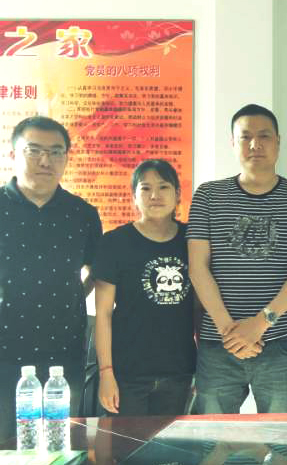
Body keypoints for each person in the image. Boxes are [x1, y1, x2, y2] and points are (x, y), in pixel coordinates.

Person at [0, 115, 102, 453]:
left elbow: (95, 270)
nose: (46, 160)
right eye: (34, 150)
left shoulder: (83, 214)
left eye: (56, 152)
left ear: (66, 158)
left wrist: (75, 298)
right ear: (13, 154)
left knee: (59, 449)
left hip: (63, 355)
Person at [187, 104, 287, 413]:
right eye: (245, 136)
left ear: (278, 142)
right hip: (219, 342)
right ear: (233, 143)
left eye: (264, 136)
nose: (255, 144)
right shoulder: (208, 195)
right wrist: (230, 330)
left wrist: (260, 324)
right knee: (213, 436)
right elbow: (197, 268)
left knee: (281, 435)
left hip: (279, 341)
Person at [93, 159, 196, 416]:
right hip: (127, 373)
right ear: (134, 197)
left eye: (163, 187)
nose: (154, 195)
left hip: (180, 371)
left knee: (172, 443)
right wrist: (106, 372)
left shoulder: (193, 240)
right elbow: (103, 314)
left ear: (177, 194)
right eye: (145, 188)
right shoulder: (114, 242)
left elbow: (200, 308)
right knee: (127, 442)